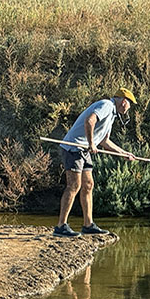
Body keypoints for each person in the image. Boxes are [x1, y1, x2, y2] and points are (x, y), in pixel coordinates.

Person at [54, 88, 137, 237]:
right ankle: (61, 226)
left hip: (84, 149)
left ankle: (88, 225)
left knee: (88, 185)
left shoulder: (112, 114)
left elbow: (105, 141)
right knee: (74, 185)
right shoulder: (106, 105)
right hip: (74, 147)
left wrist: (123, 153)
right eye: (130, 104)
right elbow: (90, 120)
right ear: (124, 102)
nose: (129, 108)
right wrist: (92, 143)